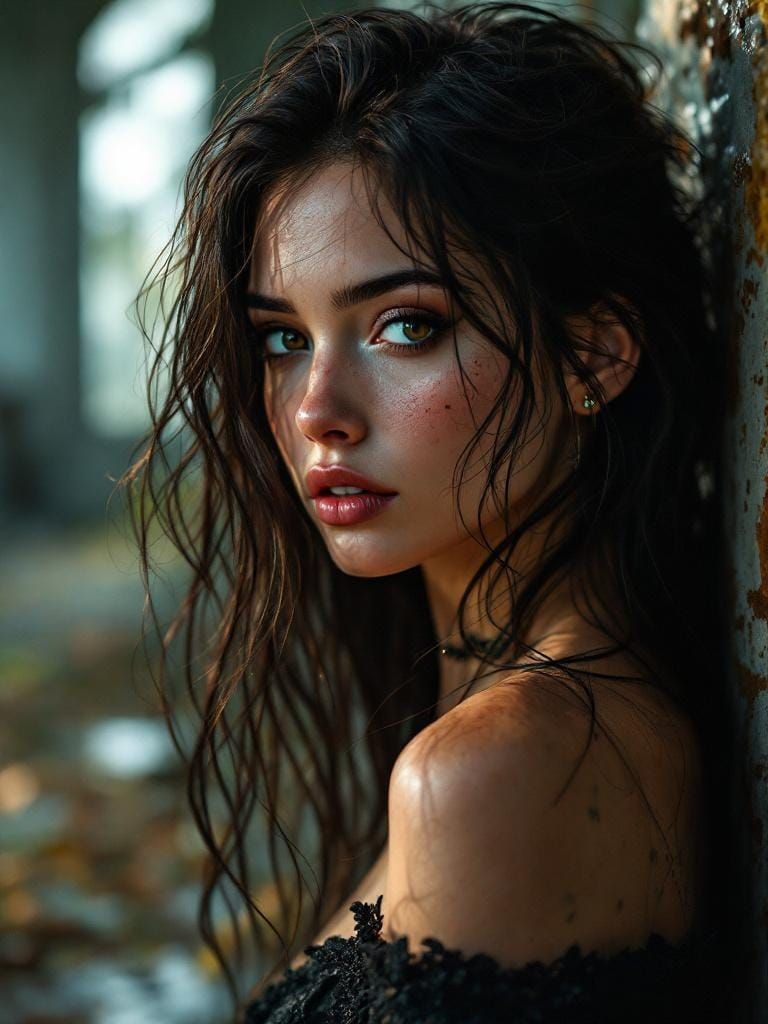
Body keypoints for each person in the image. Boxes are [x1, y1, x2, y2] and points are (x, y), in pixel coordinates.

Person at [120, 2, 739, 1020]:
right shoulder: (531, 717)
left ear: (594, 354)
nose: (318, 410)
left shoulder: (506, 765)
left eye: (406, 325)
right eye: (284, 339)